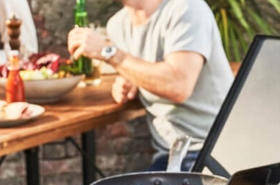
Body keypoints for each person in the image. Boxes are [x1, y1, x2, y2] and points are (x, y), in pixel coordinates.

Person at [67, 0, 233, 172]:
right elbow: (141, 69)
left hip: (213, 154)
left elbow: (178, 86)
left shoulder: (187, 8)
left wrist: (108, 52)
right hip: (169, 156)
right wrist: (130, 81)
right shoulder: (118, 25)